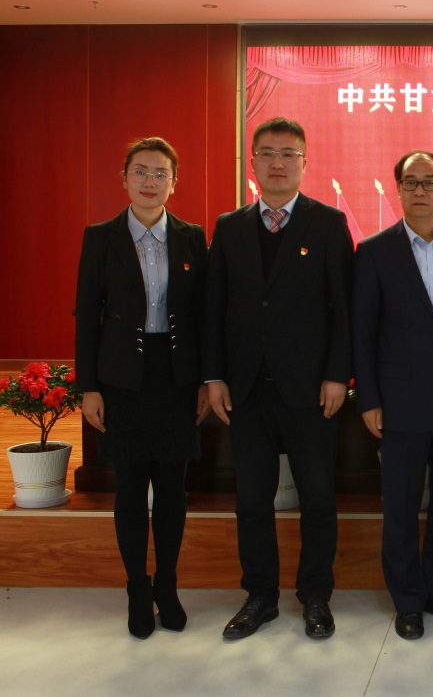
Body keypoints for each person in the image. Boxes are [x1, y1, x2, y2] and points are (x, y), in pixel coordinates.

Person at [203, 117, 354, 641]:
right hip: (245, 388)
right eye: (267, 153)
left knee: (318, 498)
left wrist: (337, 375)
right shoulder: (229, 226)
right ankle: (260, 597)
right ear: (253, 163)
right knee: (252, 500)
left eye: (289, 154)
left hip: (310, 389)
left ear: (304, 163)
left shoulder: (328, 223)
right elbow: (214, 307)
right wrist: (214, 376)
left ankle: (315, 596)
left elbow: (343, 309)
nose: (278, 163)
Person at [74, 136, 209, 638]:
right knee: (130, 487)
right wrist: (88, 387)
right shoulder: (100, 237)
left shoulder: (192, 237)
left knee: (172, 488)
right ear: (124, 178)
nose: (150, 182)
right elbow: (87, 315)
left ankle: (166, 585)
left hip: (176, 377)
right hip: (122, 379)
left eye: (160, 173)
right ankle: (136, 587)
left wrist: (206, 380)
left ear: (175, 182)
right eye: (141, 171)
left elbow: (203, 315)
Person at [353, 150, 433, 641]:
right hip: (399, 401)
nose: (420, 191)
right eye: (411, 182)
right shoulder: (375, 251)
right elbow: (363, 332)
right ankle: (407, 600)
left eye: (430, 182)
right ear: (399, 190)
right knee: (402, 507)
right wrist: (368, 398)